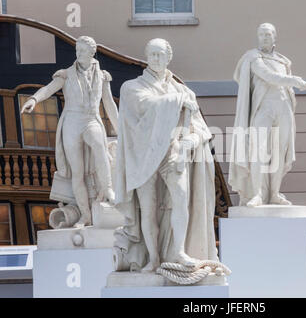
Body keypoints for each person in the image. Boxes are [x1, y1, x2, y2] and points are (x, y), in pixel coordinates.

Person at [113, 38, 218, 272]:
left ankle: (179, 252)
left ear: (169, 57)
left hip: (173, 153)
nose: (156, 59)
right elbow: (147, 105)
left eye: (160, 54)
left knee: (181, 200)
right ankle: (153, 258)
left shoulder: (181, 89)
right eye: (152, 54)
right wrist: (180, 101)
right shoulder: (132, 87)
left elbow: (201, 129)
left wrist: (188, 141)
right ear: (146, 57)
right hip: (143, 158)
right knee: (148, 210)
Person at [21, 36, 118, 227]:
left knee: (101, 151)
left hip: (91, 119)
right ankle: (85, 215)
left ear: (92, 53)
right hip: (72, 121)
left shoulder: (103, 76)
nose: (79, 54)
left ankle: (108, 190)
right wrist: (33, 100)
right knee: (77, 172)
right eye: (77, 51)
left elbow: (108, 103)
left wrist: (120, 128)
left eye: (83, 51)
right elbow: (48, 90)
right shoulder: (66, 74)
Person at [229, 23, 306, 207]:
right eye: (261, 35)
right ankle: (258, 193)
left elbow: (284, 87)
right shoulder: (253, 57)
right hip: (263, 108)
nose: (265, 38)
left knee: (279, 153)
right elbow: (268, 75)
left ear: (275, 37)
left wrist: (292, 81)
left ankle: (274, 193)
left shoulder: (284, 61)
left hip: (283, 108)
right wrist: (295, 80)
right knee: (259, 151)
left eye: (268, 34)